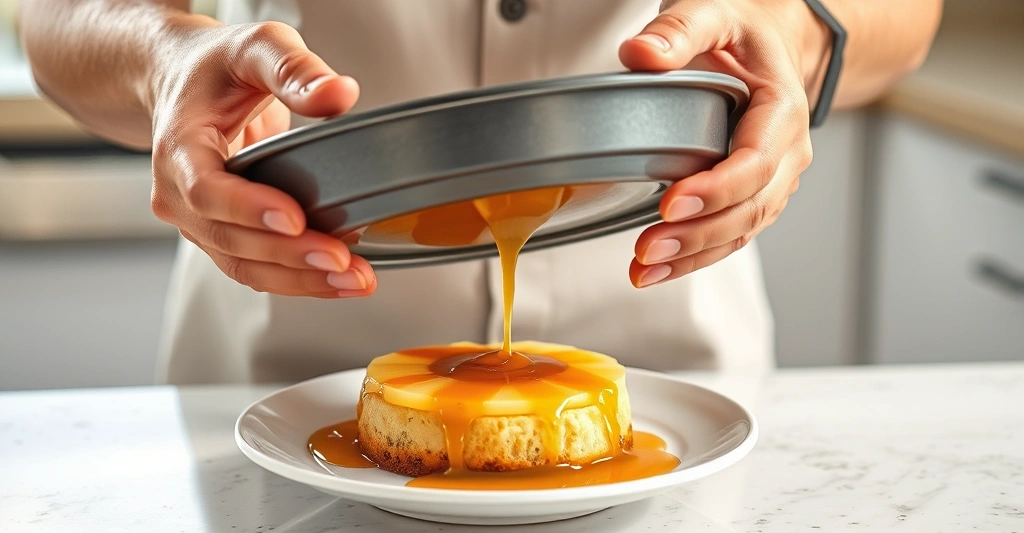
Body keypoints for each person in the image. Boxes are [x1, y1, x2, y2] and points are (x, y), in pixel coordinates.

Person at [19, 0, 942, 384]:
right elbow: (58, 15)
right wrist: (161, 56)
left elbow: (912, 17)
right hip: (279, 382)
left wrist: (792, 28)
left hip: (673, 383)